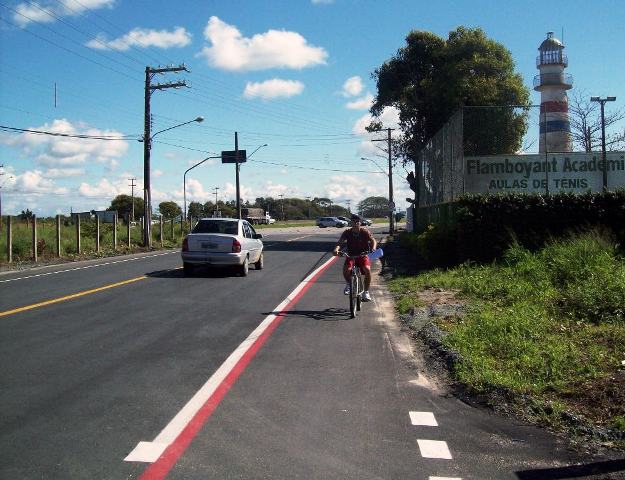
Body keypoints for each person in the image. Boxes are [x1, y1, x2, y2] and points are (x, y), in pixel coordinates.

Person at [332, 213, 377, 301]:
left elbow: (373, 240)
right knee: (346, 270)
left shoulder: (365, 232)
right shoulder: (347, 232)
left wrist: (373, 248)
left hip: (362, 255)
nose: (356, 223)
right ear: (351, 223)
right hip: (351, 255)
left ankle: (366, 292)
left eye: (358, 222)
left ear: (360, 222)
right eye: (354, 221)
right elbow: (340, 242)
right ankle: (349, 284)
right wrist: (336, 249)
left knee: (367, 270)